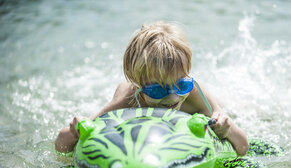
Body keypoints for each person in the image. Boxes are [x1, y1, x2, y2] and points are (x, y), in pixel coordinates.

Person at [55, 21, 249, 156]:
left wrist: (227, 129)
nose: (173, 98)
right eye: (158, 90)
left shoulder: (194, 93)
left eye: (181, 84)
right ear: (138, 86)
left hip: (226, 103)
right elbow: (61, 146)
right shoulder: (127, 100)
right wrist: (76, 131)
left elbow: (243, 146)